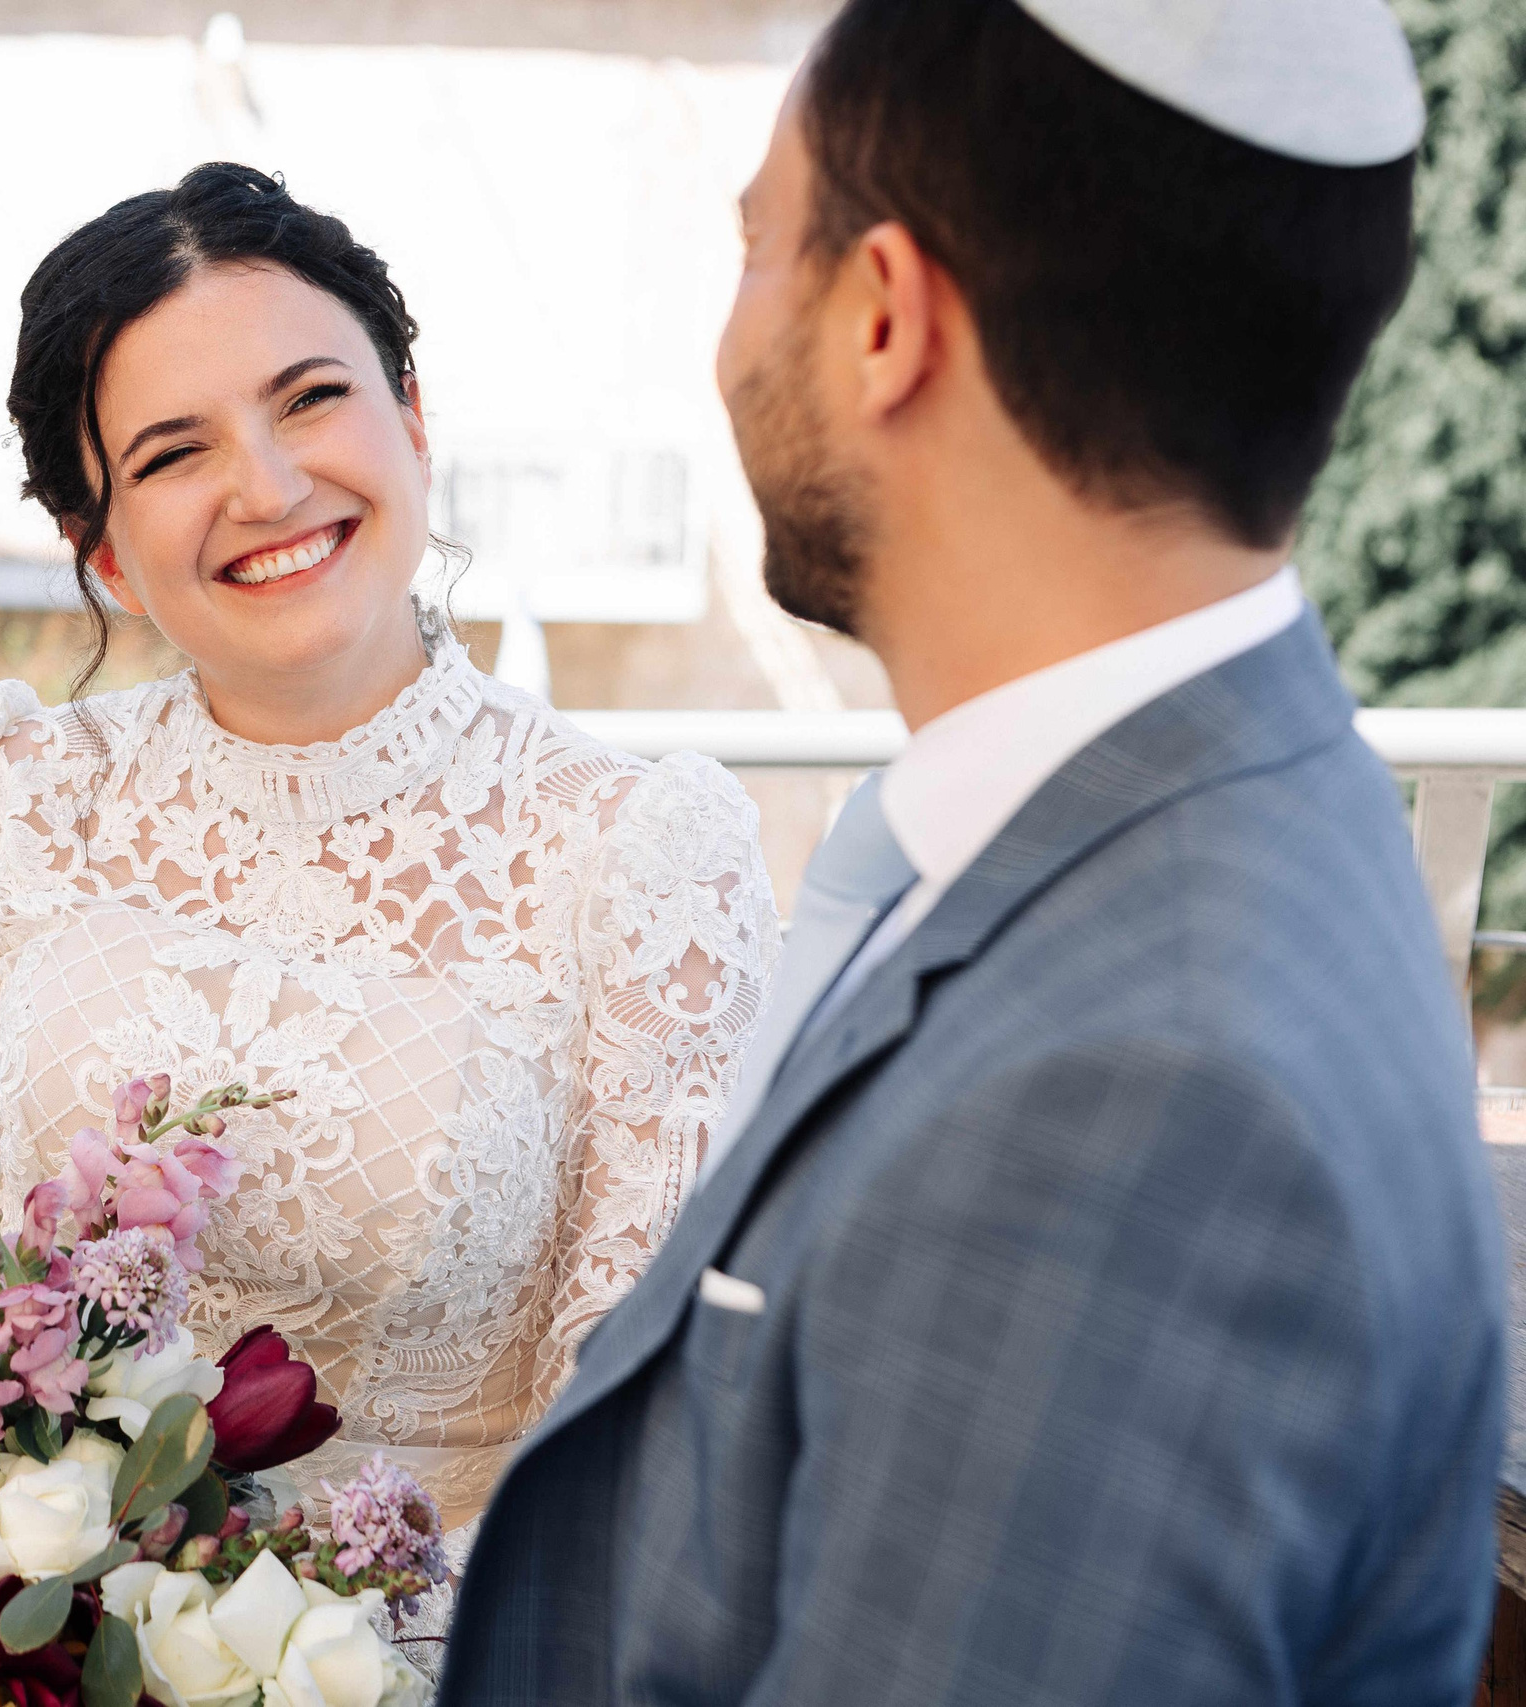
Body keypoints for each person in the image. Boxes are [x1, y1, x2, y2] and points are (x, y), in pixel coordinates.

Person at [0, 162, 777, 1707]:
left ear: (413, 418)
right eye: (174, 452)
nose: (268, 487)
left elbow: (634, 1442)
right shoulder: (9, 793)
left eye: (312, 399)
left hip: (426, 1660)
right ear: (100, 547)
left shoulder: (640, 846)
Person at [443, 1, 1506, 1703]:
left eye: (755, 246)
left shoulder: (1137, 1093)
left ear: (883, 317)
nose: (727, 335)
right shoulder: (1186, 828)